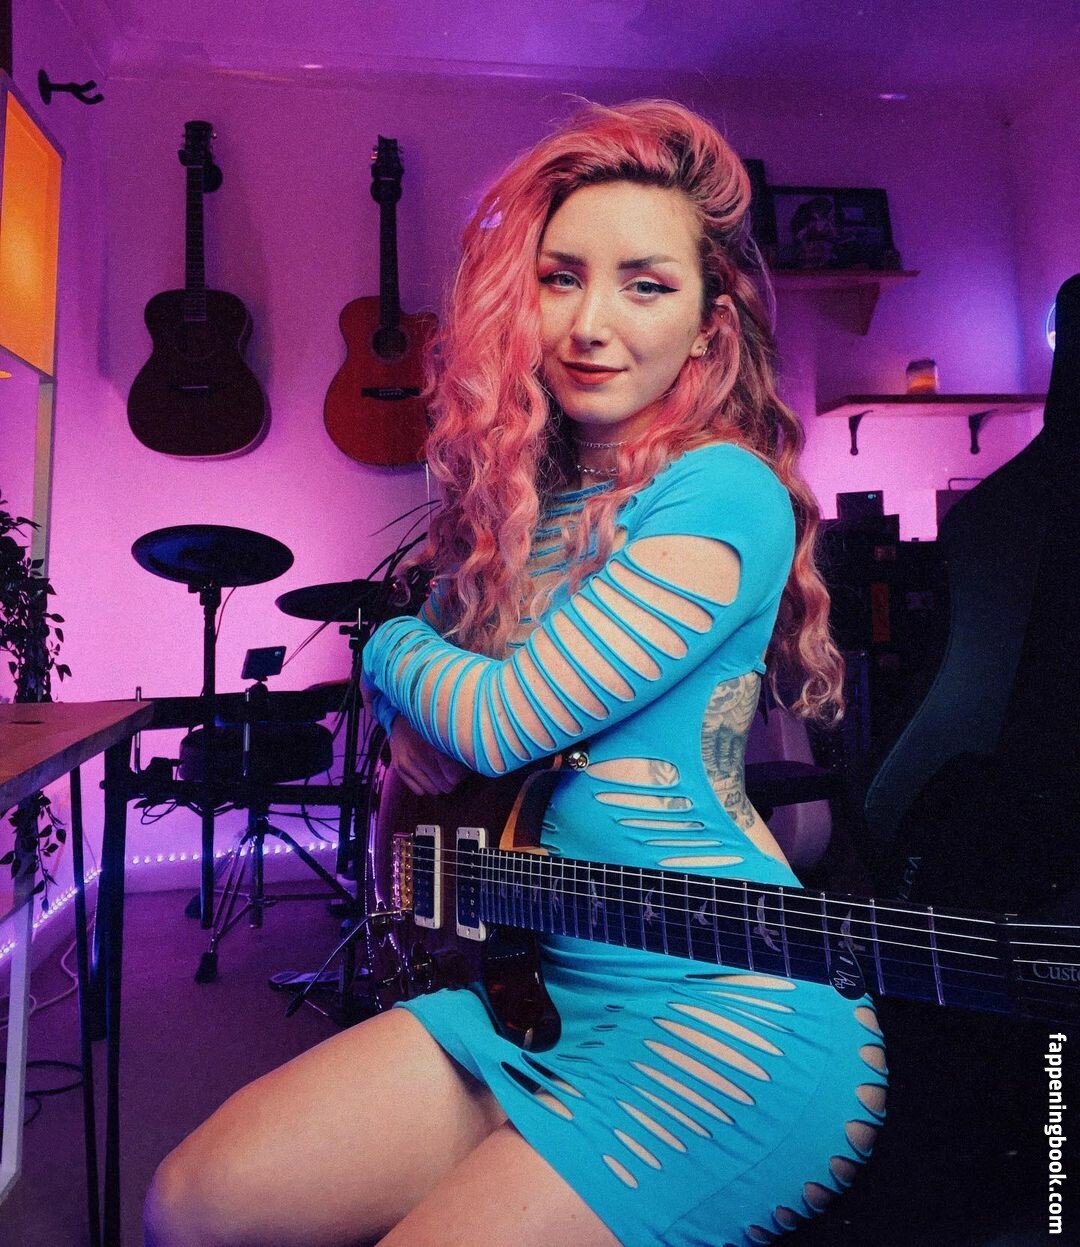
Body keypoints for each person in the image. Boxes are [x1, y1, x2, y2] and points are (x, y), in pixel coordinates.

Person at [144, 98, 886, 1247]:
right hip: (538, 987)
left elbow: (495, 722)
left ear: (708, 325)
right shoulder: (526, 509)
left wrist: (383, 642)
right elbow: (446, 722)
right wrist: (412, 703)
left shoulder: (721, 488)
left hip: (730, 1008)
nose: (592, 323)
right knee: (191, 1202)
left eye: (646, 285)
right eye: (560, 278)